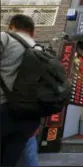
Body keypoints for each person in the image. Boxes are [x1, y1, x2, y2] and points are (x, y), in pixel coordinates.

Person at [0, 14, 41, 166]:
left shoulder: (5, 38)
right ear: (32, 31)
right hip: (28, 117)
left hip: (3, 108)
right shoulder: (39, 49)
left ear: (12, 26)